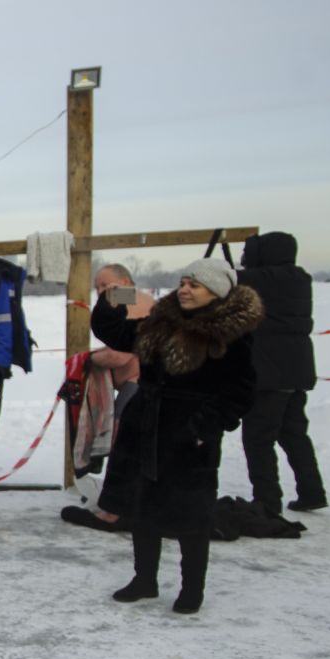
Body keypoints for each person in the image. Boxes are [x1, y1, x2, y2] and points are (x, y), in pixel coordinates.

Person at [92, 259, 260, 615]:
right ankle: (145, 580)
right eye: (183, 282)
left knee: (191, 515)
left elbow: (241, 392)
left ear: (216, 292)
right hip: (147, 425)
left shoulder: (229, 334)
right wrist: (114, 294)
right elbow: (115, 331)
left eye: (195, 285)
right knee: (142, 507)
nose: (184, 289)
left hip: (189, 434)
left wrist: (203, 428)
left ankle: (191, 589)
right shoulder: (161, 323)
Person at [237, 233, 328, 517]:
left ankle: (266, 500)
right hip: (296, 369)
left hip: (267, 372)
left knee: (258, 439)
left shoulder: (258, 279)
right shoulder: (300, 278)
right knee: (294, 434)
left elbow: (229, 281)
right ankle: (312, 492)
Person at [61, 264, 155, 533]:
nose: (101, 291)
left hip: (139, 386)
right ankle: (130, 504)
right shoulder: (139, 301)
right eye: (98, 287)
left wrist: (88, 359)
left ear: (125, 281)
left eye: (106, 285)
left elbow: (121, 354)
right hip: (142, 385)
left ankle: (115, 511)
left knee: (123, 444)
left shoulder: (131, 298)